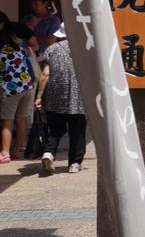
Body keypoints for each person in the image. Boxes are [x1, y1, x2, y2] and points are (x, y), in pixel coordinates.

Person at [34, 23, 87, 175]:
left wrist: (39, 97)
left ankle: (48, 154)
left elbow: (45, 75)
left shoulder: (51, 49)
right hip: (79, 99)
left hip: (55, 97)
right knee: (77, 131)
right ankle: (75, 163)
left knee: (55, 128)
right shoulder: (84, 50)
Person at [0, 15, 36, 164]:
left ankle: (4, 153)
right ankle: (17, 149)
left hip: (11, 90)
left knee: (7, 120)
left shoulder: (2, 53)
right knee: (21, 120)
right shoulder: (19, 49)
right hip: (27, 87)